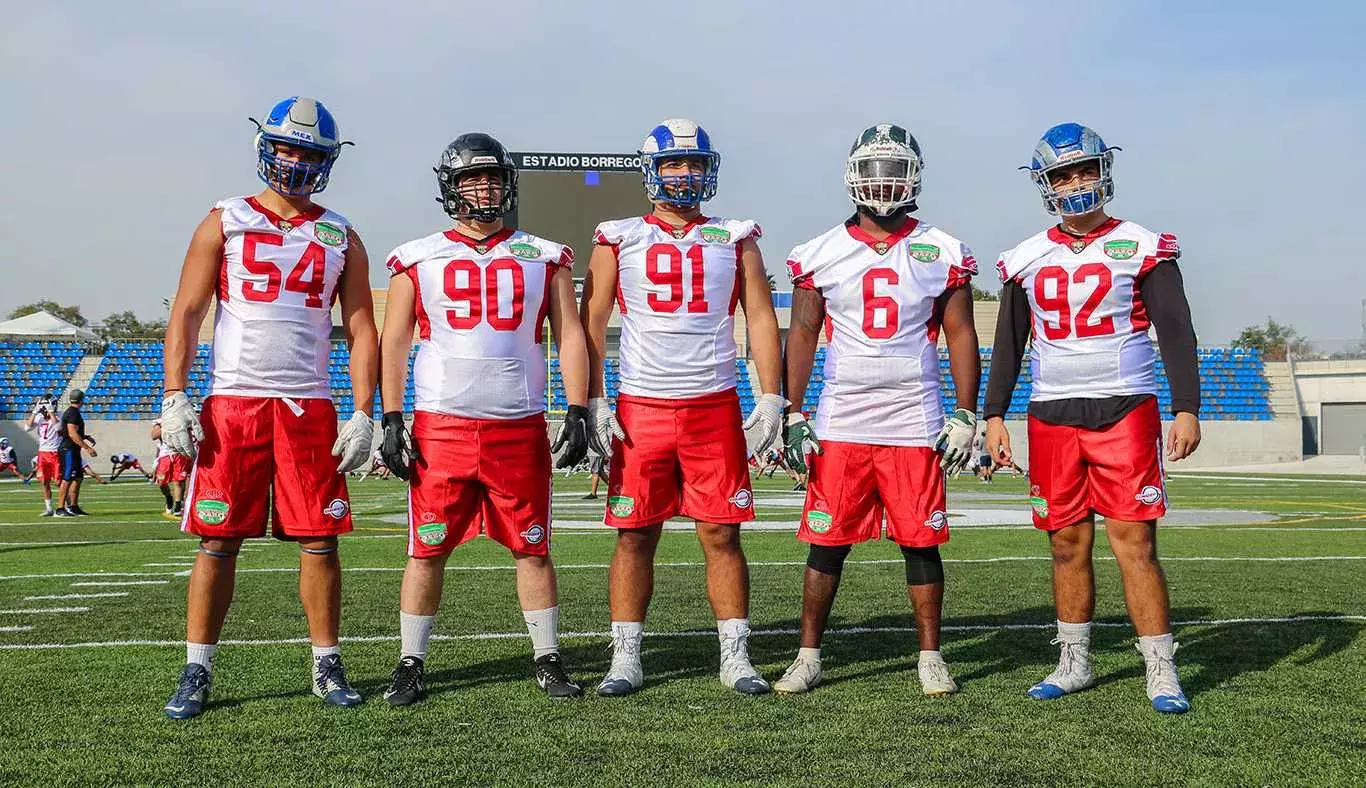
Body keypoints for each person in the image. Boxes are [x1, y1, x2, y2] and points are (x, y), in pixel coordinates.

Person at [158, 96, 378, 720]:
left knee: (320, 540)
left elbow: (362, 327)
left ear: (327, 161)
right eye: (287, 147)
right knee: (218, 541)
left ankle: (326, 661)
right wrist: (175, 392)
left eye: (308, 153)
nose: (295, 161)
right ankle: (197, 667)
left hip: (309, 406)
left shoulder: (341, 233)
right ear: (266, 147)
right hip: (235, 401)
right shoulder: (224, 219)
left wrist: (364, 408)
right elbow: (188, 311)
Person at [982, 123, 1201, 714]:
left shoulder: (1143, 244)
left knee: (1134, 541)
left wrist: (1187, 407)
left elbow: (1176, 329)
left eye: (1085, 170)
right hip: (1052, 411)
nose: (1077, 183)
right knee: (1065, 543)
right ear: (1046, 185)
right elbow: (1009, 342)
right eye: (1063, 174)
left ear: (1105, 170)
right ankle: (1074, 660)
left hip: (1126, 405)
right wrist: (994, 414)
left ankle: (1160, 667)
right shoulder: (1025, 256)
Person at [377, 133, 590, 705]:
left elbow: (568, 333)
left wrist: (577, 405)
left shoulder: (545, 254)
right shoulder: (417, 256)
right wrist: (390, 414)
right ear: (450, 187)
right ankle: (410, 662)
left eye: (494, 178)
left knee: (533, 547)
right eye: (473, 178)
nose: (485, 188)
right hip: (441, 423)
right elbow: (393, 339)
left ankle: (547, 659)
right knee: (426, 548)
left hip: (517, 423)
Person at [775, 124, 980, 696]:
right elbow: (804, 334)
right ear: (853, 174)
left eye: (894, 170)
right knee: (827, 539)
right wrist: (792, 412)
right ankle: (808, 654)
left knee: (921, 540)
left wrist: (965, 413)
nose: (883, 182)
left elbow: (962, 335)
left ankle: (930, 657)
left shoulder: (942, 248)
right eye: (874, 170)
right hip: (843, 416)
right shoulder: (819, 252)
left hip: (915, 416)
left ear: (913, 176)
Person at [581, 119, 784, 696]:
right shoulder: (618, 236)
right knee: (634, 536)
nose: (685, 174)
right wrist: (593, 397)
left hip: (713, 403)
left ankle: (736, 656)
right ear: (651, 170)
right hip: (641, 404)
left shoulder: (735, 235)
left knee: (722, 534)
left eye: (694, 164)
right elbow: (592, 320)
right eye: (674, 164)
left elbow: (761, 316)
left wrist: (771, 394)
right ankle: (625, 657)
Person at [54, 389, 96, 517]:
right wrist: (87, 448)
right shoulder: (73, 413)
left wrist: (85, 436)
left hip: (73, 449)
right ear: (82, 400)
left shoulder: (72, 412)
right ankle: (60, 508)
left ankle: (73, 506)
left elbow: (71, 431)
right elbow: (72, 433)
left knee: (78, 477)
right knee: (67, 479)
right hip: (69, 450)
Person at [151, 420, 189, 519]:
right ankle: (169, 499)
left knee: (178, 481)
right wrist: (167, 425)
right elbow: (154, 436)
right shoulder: (160, 422)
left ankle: (177, 507)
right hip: (165, 455)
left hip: (179, 453)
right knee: (162, 482)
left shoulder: (181, 418)